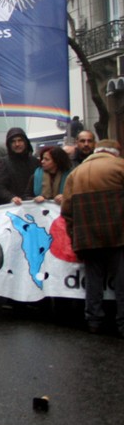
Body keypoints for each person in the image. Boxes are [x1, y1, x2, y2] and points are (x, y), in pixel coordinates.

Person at [61, 139, 124, 336]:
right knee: (122, 281)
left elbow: (67, 211)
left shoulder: (76, 173)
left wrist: (74, 236)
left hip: (87, 236)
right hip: (118, 233)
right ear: (115, 152)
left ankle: (94, 321)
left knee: (93, 281)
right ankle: (122, 324)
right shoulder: (120, 166)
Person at [0, 127, 39, 205]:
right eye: (13, 141)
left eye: (20, 140)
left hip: (34, 205)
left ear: (25, 142)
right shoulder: (2, 163)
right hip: (12, 207)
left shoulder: (35, 162)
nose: (17, 144)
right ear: (9, 144)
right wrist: (11, 197)